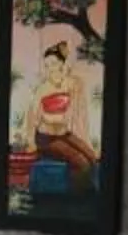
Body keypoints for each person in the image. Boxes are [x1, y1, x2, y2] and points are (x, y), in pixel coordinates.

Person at [28, 39, 96, 185]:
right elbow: (33, 115)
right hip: (46, 138)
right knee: (82, 163)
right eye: (46, 65)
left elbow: (76, 108)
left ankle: (89, 191)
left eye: (53, 64)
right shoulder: (43, 88)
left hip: (64, 134)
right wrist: (30, 143)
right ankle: (74, 196)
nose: (50, 69)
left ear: (61, 64)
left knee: (92, 156)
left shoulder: (70, 83)